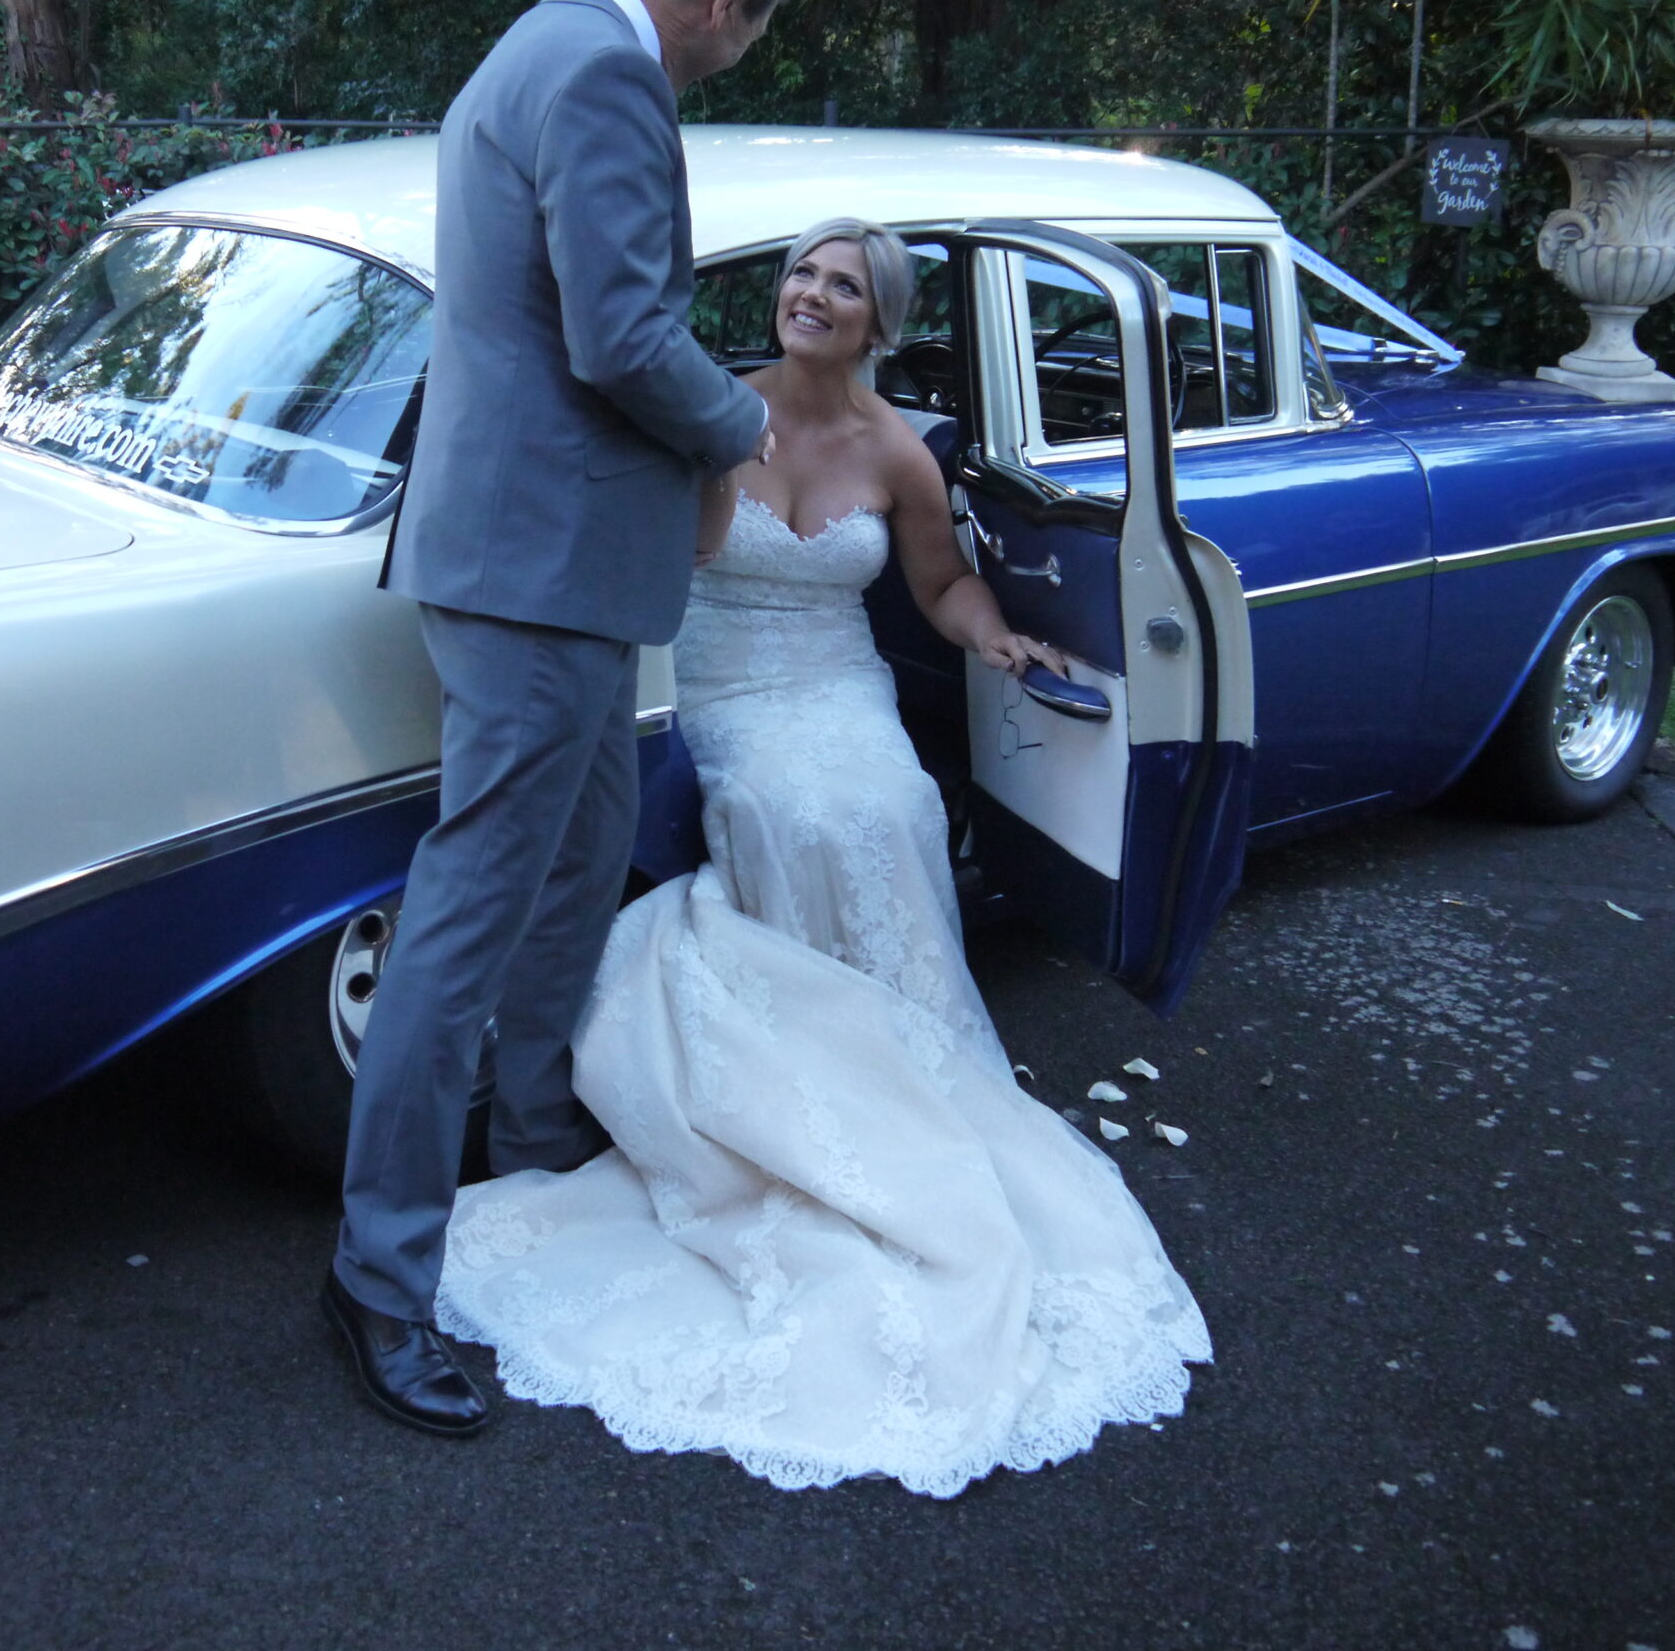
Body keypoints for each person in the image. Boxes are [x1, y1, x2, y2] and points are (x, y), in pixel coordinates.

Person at [431, 220, 1213, 1498]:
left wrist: (1002, 639)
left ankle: (895, 1060)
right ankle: (795, 1074)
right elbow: (668, 559)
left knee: (891, 803)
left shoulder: (897, 450)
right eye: (801, 275)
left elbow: (941, 580)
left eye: (841, 286)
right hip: (728, 683)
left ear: (878, 325)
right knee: (789, 810)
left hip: (837, 685)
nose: (809, 295)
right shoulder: (718, 414)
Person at [324, 0, 799, 1436]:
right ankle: (381, 1282)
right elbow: (620, 337)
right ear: (730, 0)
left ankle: (531, 1160)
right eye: (750, 36)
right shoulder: (603, 73)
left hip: (545, 564)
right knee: (464, 921)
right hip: (540, 574)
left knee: (579, 864)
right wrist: (745, 432)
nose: (733, 58)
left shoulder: (531, 41)